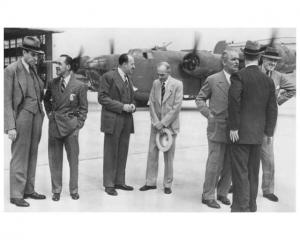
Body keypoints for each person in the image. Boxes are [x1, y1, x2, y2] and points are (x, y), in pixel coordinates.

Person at [228, 41, 278, 212]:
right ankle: (251, 206)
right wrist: (269, 132)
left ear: (244, 56)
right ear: (258, 57)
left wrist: (234, 127)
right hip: (258, 135)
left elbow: (234, 102)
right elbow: (272, 109)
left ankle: (241, 207)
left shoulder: (238, 76)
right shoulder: (268, 80)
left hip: (240, 134)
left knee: (240, 172)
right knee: (252, 172)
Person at [4, 36, 46, 207]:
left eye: (37, 55)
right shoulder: (11, 70)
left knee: (33, 153)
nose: (36, 58)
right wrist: (11, 126)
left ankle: (29, 189)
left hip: (37, 115)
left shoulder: (33, 69)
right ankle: (16, 194)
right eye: (33, 55)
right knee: (20, 155)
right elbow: (6, 100)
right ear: (24, 52)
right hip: (22, 116)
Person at [195, 48, 239, 208]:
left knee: (229, 163)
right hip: (217, 127)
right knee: (215, 163)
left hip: (235, 129)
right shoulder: (213, 79)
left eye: (238, 59)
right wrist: (209, 114)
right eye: (233, 59)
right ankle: (207, 195)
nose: (237, 62)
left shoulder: (240, 79)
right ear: (224, 61)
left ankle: (222, 192)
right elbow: (200, 99)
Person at [44, 54, 88, 201]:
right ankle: (56, 190)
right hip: (55, 126)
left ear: (68, 67)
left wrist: (78, 126)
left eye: (60, 64)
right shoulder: (52, 83)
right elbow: (46, 99)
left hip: (71, 129)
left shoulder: (79, 85)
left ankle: (74, 190)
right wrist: (50, 113)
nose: (57, 66)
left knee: (73, 160)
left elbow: (83, 108)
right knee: (55, 160)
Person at [139, 62, 183, 194]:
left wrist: (163, 123)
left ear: (169, 72)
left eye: (162, 75)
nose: (160, 77)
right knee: (152, 153)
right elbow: (151, 102)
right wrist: (155, 122)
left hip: (170, 126)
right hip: (155, 126)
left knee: (169, 156)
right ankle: (150, 182)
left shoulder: (178, 85)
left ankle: (167, 184)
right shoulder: (155, 83)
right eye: (158, 74)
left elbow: (176, 107)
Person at [259, 47, 296, 202]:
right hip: (249, 120)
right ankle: (238, 184)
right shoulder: (253, 73)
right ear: (262, 59)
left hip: (268, 121)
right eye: (270, 60)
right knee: (245, 154)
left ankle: (268, 190)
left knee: (268, 157)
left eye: (275, 61)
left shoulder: (278, 76)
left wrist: (278, 100)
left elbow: (293, 89)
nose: (272, 63)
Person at [98, 54, 136, 196]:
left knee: (123, 151)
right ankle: (109, 184)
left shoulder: (128, 79)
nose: (134, 67)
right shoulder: (108, 76)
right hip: (113, 120)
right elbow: (102, 98)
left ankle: (119, 181)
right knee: (110, 152)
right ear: (124, 64)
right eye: (132, 64)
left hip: (126, 121)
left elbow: (132, 97)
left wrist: (132, 105)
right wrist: (122, 106)